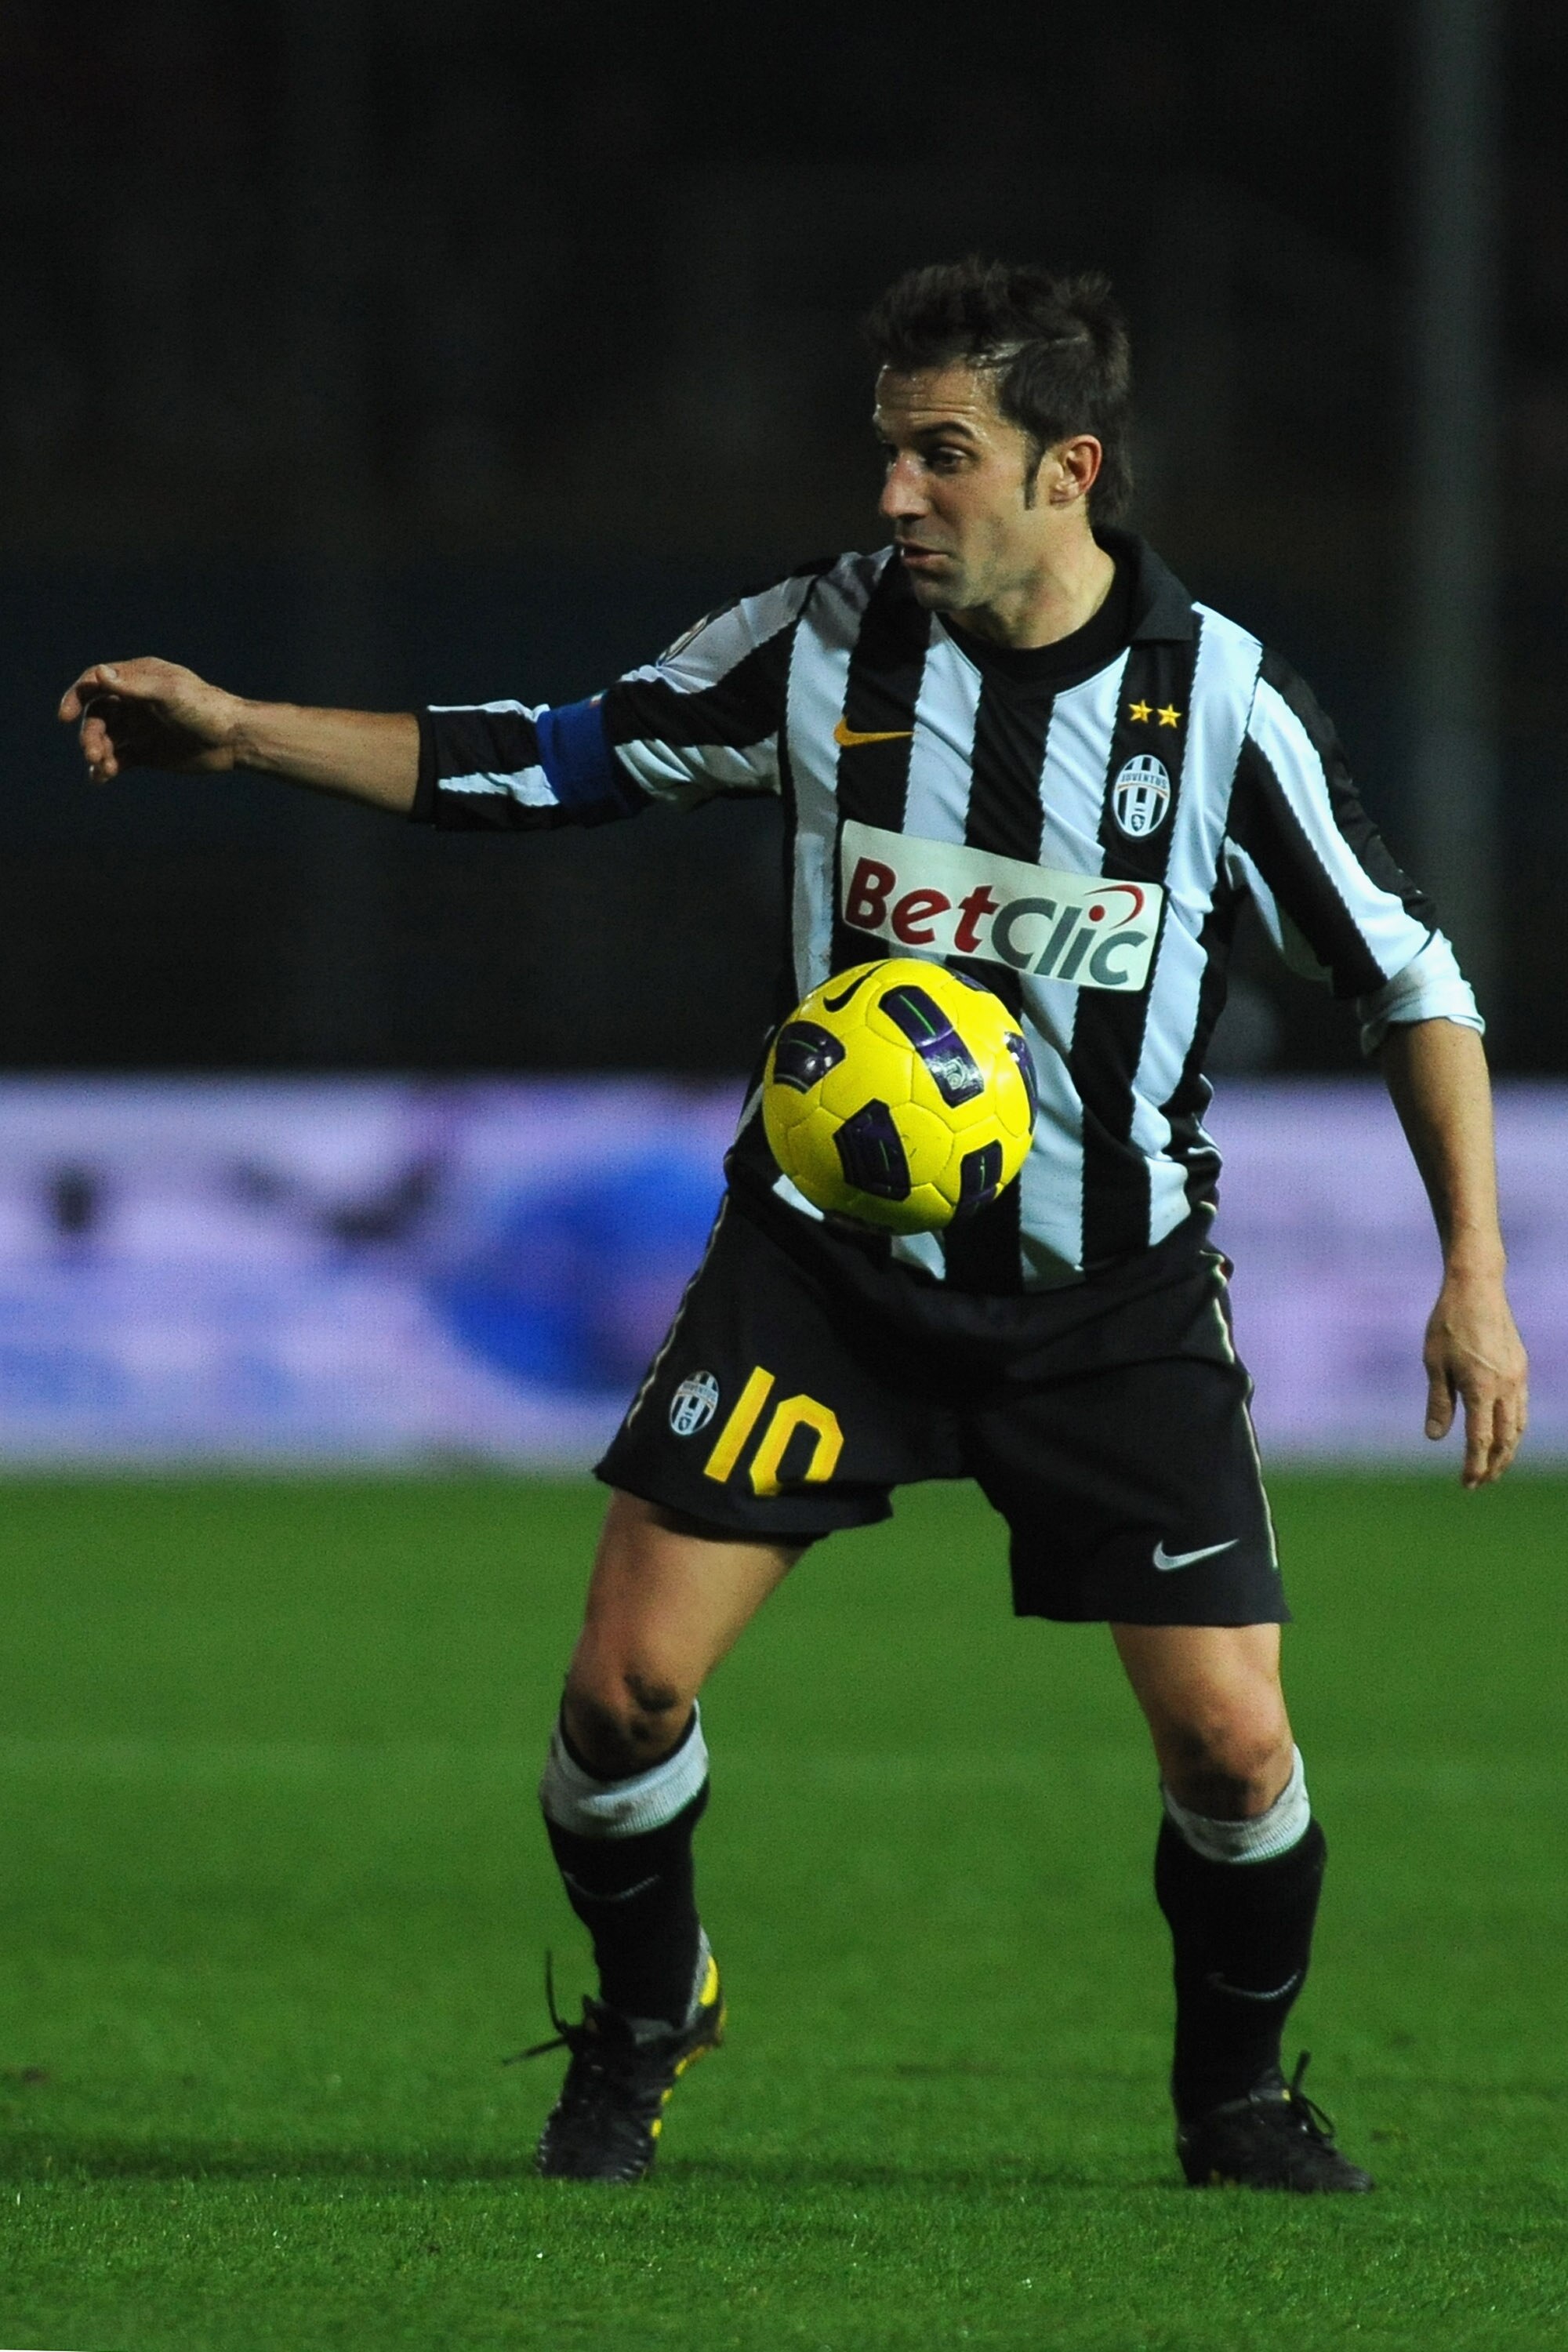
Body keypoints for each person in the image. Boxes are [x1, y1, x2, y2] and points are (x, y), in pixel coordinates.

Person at [59, 259, 1527, 2194]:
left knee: (1235, 1752)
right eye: (888, 451)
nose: (896, 493)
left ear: (1069, 469)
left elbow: (1409, 977)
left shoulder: (1219, 705)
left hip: (1107, 1299)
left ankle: (1233, 2102)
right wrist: (244, 732)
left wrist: (1474, 1272)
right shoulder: (822, 643)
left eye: (944, 455)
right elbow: (552, 756)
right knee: (620, 1694)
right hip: (823, 1276)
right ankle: (646, 2010)